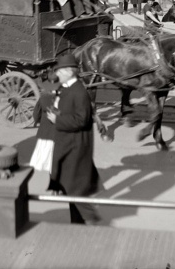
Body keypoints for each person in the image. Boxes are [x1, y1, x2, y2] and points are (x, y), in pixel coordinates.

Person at [46, 54, 101, 225]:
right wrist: (56, 112)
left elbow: (82, 119)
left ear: (70, 71)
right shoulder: (66, 88)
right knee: (71, 187)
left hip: (75, 148)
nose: (58, 74)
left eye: (60, 71)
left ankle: (90, 219)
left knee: (73, 186)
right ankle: (78, 223)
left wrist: (58, 120)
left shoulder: (79, 91)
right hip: (68, 144)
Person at [29, 77, 60, 190]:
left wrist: (38, 121)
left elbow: (35, 115)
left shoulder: (42, 99)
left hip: (44, 134)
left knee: (47, 160)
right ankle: (55, 184)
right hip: (58, 135)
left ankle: (51, 184)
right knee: (56, 160)